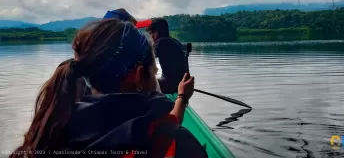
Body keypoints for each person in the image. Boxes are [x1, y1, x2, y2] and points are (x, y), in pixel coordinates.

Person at [10, 19, 207, 158]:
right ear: (139, 75)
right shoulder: (175, 143)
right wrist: (181, 97)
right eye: (152, 69)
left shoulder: (47, 134)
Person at [147, 18, 187, 94]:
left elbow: (146, 58)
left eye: (153, 32)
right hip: (182, 84)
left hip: (169, 84)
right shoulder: (175, 41)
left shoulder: (160, 42)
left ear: (160, 31)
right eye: (150, 33)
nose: (151, 36)